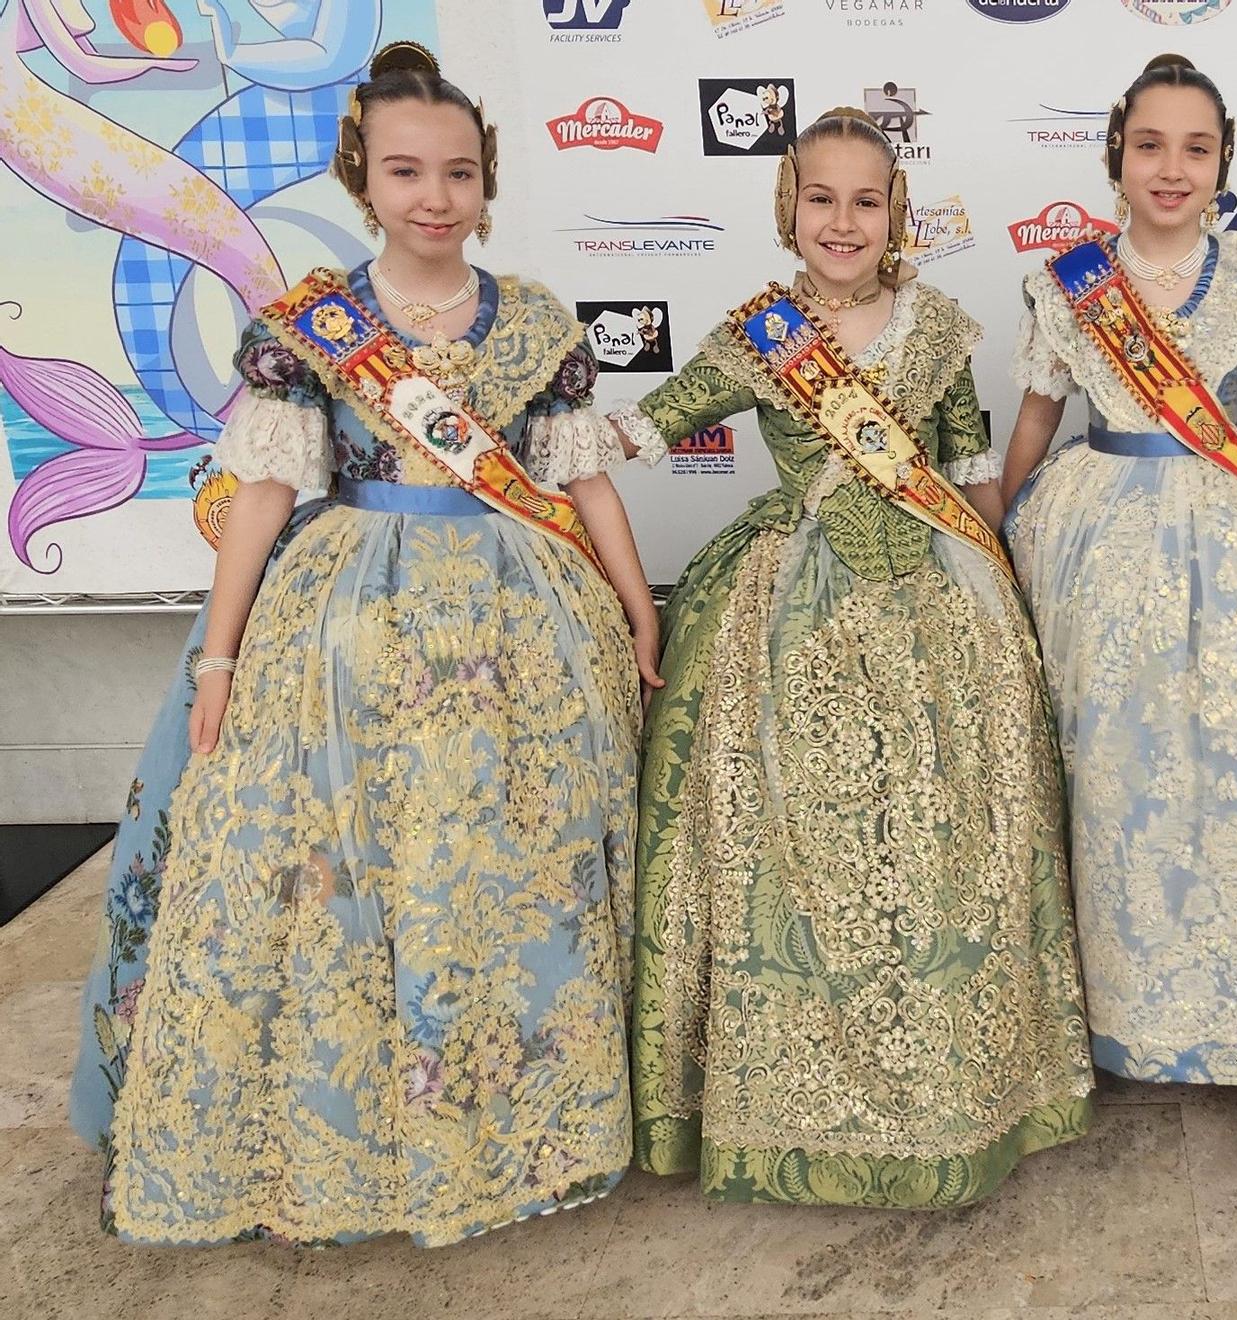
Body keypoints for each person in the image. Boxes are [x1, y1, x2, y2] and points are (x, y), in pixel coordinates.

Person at [72, 40, 658, 1247]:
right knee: (344, 868)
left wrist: (636, 599)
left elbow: (580, 479)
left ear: (486, 182)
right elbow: (263, 500)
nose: (433, 197)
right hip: (346, 623)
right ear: (364, 181)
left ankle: (513, 1123)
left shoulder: (536, 320)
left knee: (503, 864)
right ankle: (349, 1132)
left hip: (516, 618)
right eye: (406, 172)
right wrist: (221, 657)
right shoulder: (313, 328)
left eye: (455, 172)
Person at [608, 106, 1094, 1208]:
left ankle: (952, 1092)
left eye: (865, 200)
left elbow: (968, 472)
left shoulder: (938, 330)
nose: (842, 221)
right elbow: (639, 428)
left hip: (932, 606)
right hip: (786, 614)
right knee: (795, 848)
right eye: (820, 198)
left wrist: (1002, 596)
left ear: (894, 213)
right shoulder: (760, 334)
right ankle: (788, 1100)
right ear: (790, 208)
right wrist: (540, 432)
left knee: (934, 835)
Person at [999, 53, 1237, 1088]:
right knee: (1113, 772)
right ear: (1115, 156)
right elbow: (1033, 422)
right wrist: (997, 538)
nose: (1171, 167)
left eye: (1194, 148)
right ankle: (1120, 1010)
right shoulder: (1067, 284)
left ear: (1222, 163)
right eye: (1149, 145)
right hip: (1098, 543)